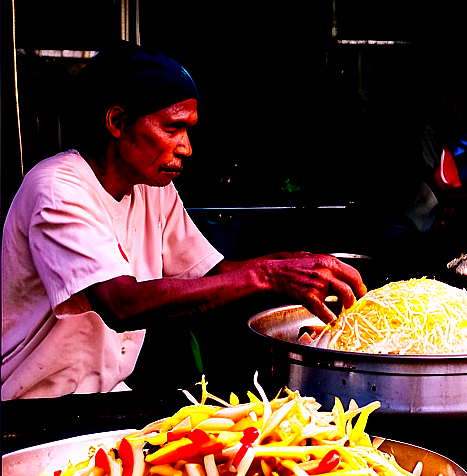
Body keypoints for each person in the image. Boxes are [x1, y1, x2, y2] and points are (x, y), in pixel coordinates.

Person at [1, 44, 366, 400]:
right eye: (172, 129)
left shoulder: (150, 186)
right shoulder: (56, 188)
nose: (186, 147)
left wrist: (288, 264)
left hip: (106, 396)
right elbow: (120, 303)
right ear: (117, 122)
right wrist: (268, 276)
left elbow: (209, 277)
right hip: (33, 406)